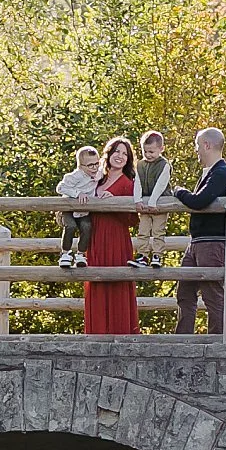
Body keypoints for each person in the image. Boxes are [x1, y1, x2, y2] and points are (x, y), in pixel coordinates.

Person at [172, 126, 226, 334]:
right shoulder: (209, 173)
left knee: (212, 294)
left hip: (212, 241)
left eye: (198, 146)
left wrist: (179, 191)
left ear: (207, 145)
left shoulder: (221, 173)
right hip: (197, 242)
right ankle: (183, 339)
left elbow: (199, 201)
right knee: (185, 292)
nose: (196, 150)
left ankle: (217, 340)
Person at [82, 134, 141, 335]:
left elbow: (134, 220)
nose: (120, 156)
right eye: (117, 151)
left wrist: (114, 202)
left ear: (129, 160)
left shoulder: (128, 183)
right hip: (96, 238)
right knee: (96, 283)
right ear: (109, 154)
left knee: (118, 284)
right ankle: (96, 333)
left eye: (125, 154)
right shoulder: (96, 179)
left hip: (117, 239)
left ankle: (122, 332)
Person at [129, 130, 174, 267]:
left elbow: (161, 184)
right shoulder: (140, 165)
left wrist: (153, 202)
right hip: (145, 202)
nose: (148, 155)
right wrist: (138, 200)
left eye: (152, 152)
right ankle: (142, 255)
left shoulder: (164, 165)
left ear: (161, 149)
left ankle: (157, 255)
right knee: (143, 231)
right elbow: (137, 183)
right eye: (145, 152)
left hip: (159, 202)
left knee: (158, 231)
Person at [55, 145, 101, 268]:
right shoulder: (75, 176)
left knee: (86, 227)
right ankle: (65, 253)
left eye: (97, 163)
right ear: (81, 166)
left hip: (83, 210)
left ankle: (80, 254)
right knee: (70, 226)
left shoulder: (98, 173)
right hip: (69, 208)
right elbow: (60, 187)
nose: (95, 167)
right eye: (90, 165)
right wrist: (77, 194)